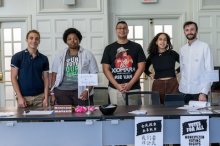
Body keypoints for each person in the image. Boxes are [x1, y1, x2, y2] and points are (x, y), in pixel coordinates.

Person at [101, 21, 146, 105]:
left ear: (128, 30)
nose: (122, 30)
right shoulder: (109, 48)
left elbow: (141, 67)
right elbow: (105, 69)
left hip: (133, 88)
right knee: (117, 114)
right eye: (119, 28)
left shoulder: (137, 47)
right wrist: (117, 85)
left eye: (124, 28)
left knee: (134, 113)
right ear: (116, 30)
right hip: (115, 89)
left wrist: (130, 84)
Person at [50, 28, 98, 106]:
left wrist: (87, 90)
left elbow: (93, 73)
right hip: (62, 92)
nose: (72, 41)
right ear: (66, 41)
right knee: (66, 117)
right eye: (69, 39)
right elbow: (54, 74)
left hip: (81, 91)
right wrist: (52, 93)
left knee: (83, 116)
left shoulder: (87, 54)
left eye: (75, 38)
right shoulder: (60, 54)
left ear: (79, 40)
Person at [11, 30, 49, 108]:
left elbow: (46, 79)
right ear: (27, 40)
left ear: (39, 41)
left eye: (36, 39)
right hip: (24, 98)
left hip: (40, 97)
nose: (34, 41)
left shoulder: (44, 59)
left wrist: (46, 97)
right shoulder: (17, 57)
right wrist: (20, 97)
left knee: (42, 120)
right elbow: (13, 77)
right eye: (31, 38)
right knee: (23, 120)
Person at [179, 21, 214, 104]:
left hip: (199, 93)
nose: (189, 32)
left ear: (196, 31)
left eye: (192, 29)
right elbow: (182, 70)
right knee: (183, 116)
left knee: (199, 117)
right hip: (183, 91)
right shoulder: (182, 49)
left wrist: (204, 92)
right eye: (187, 30)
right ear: (184, 32)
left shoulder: (205, 47)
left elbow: (210, 71)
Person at [145, 32, 180, 104]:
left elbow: (184, 64)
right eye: (160, 39)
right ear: (156, 42)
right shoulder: (152, 55)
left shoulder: (172, 53)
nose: (162, 41)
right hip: (158, 85)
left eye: (165, 40)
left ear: (167, 42)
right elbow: (144, 68)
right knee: (157, 109)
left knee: (174, 108)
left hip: (172, 84)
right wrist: (149, 74)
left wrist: (177, 71)